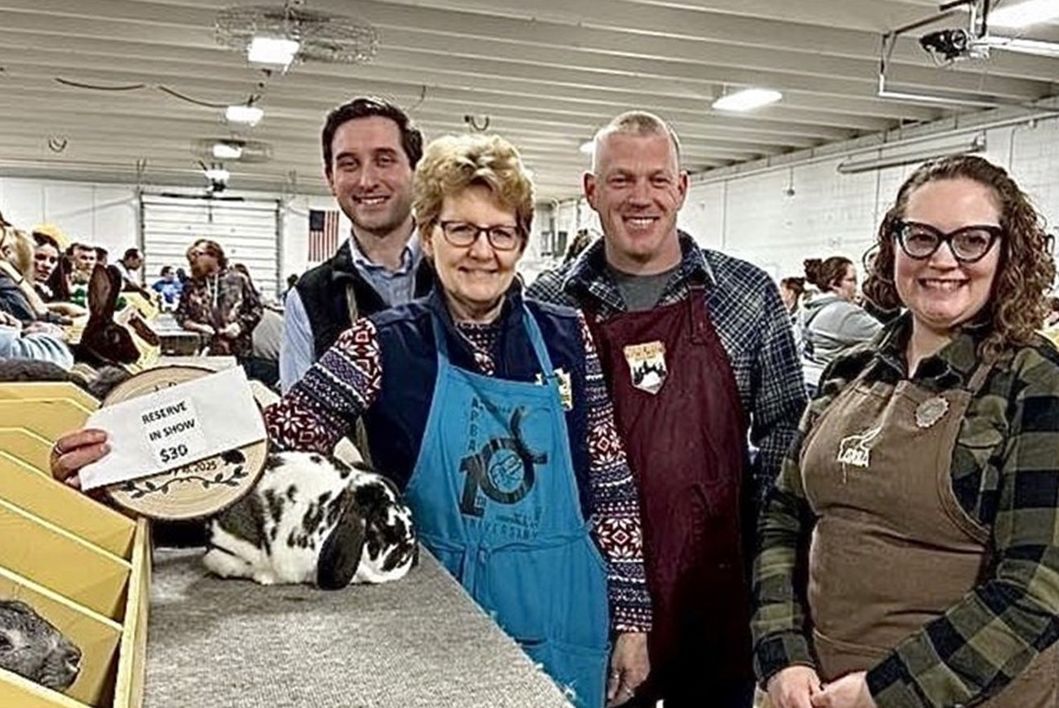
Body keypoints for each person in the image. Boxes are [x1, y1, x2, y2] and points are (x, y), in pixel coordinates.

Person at [51, 134, 652, 708]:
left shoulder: (567, 335)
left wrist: (633, 620)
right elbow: (271, 444)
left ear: (521, 241)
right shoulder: (381, 344)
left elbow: (611, 478)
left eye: (501, 232)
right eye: (461, 228)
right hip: (438, 613)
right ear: (428, 233)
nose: (482, 250)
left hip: (566, 602)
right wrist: (128, 465)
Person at [752, 155, 1059, 708]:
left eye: (971, 240)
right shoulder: (850, 371)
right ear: (893, 243)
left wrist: (884, 692)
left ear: (1007, 252)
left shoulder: (1035, 382)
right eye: (921, 236)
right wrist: (782, 653)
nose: (943, 259)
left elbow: (1036, 590)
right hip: (814, 693)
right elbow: (782, 519)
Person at [528, 111, 806, 707]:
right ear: (591, 191)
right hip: (589, 593)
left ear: (682, 188)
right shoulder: (548, 303)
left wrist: (763, 560)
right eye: (622, 179)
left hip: (715, 594)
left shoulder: (745, 295)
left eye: (658, 179)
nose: (641, 197)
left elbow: (787, 428)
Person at [280, 97, 434, 392]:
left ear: (417, 170)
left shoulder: (468, 274)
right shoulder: (308, 298)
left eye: (384, 160)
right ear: (331, 179)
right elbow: (302, 423)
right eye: (349, 165)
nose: (366, 180)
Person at [799, 256, 881, 393]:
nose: (856, 287)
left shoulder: (809, 308)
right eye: (851, 280)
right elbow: (892, 336)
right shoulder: (844, 312)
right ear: (833, 283)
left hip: (808, 381)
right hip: (829, 388)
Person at [175, 239, 262, 360]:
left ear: (214, 255)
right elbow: (180, 316)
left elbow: (256, 309)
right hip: (204, 352)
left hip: (238, 352)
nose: (193, 260)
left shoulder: (238, 279)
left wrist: (239, 326)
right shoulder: (191, 285)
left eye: (197, 254)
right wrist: (198, 327)